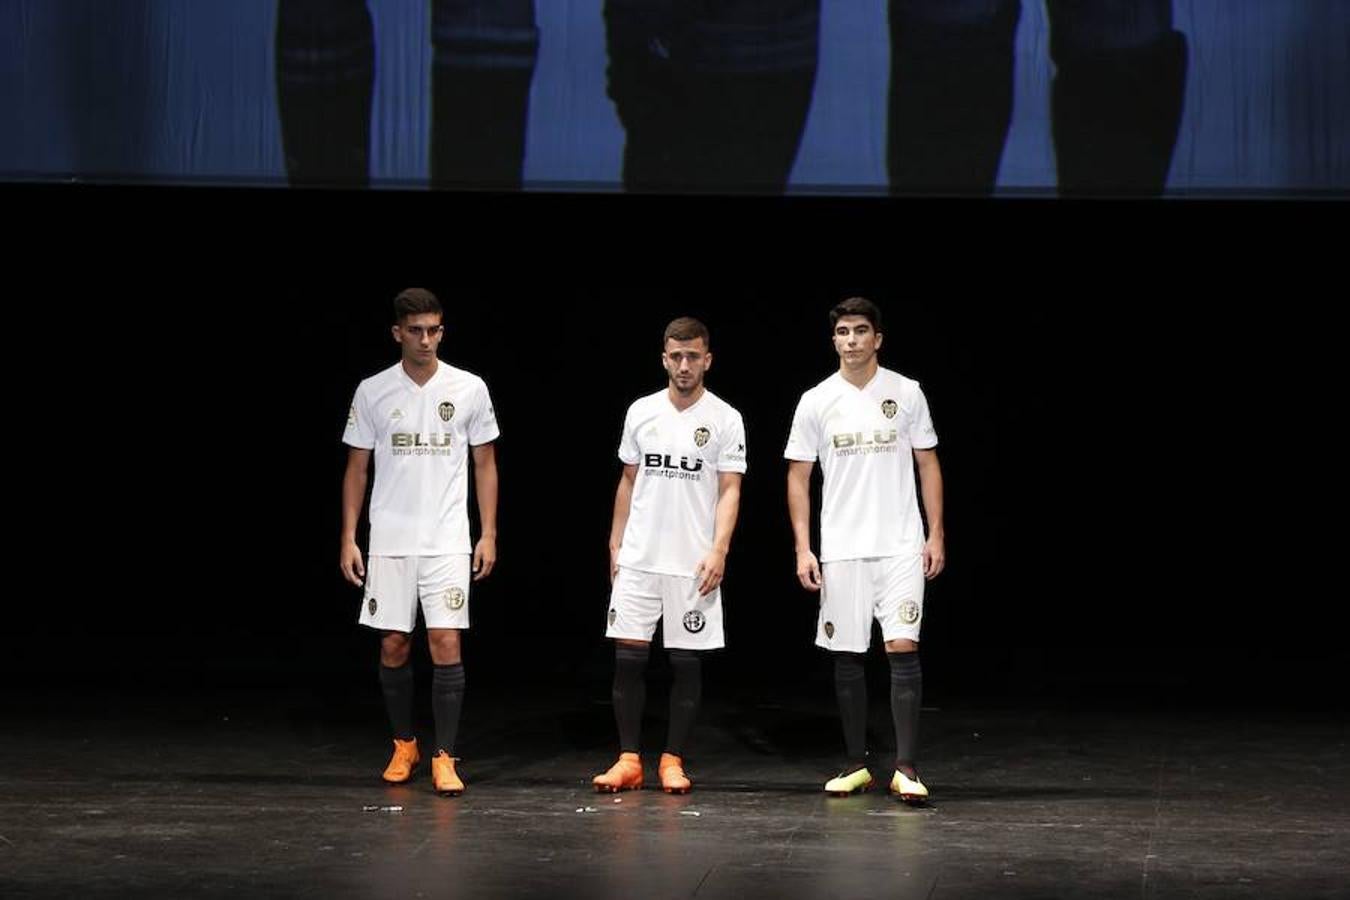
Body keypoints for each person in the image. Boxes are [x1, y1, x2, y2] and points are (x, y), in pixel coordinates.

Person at [340, 288, 500, 796]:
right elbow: (356, 468)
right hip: (389, 539)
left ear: (441, 331)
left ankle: (445, 756)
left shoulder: (469, 387)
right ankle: (404, 743)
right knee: (393, 643)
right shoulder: (373, 391)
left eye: (434, 330)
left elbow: (485, 464)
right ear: (398, 333)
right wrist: (349, 536)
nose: (426, 339)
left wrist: (489, 532)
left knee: (446, 641)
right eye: (416, 330)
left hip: (448, 539)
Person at [784, 296, 945, 802]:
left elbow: (928, 465)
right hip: (842, 548)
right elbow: (798, 476)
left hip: (899, 544)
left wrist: (935, 533)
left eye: (859, 331)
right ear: (834, 340)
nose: (850, 340)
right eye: (842, 332)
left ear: (877, 337)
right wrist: (802, 548)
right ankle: (856, 764)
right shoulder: (816, 400)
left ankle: (907, 768)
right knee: (848, 652)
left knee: (902, 646)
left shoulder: (906, 392)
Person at [593, 317, 747, 794]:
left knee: (685, 662)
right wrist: (616, 540)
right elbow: (628, 479)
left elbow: (730, 489)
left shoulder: (725, 417)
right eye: (676, 356)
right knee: (629, 660)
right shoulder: (641, 411)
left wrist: (719, 549)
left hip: (692, 562)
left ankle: (672, 759)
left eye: (693, 356)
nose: (684, 365)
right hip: (640, 556)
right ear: (664, 358)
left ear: (707, 360)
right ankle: (628, 759)